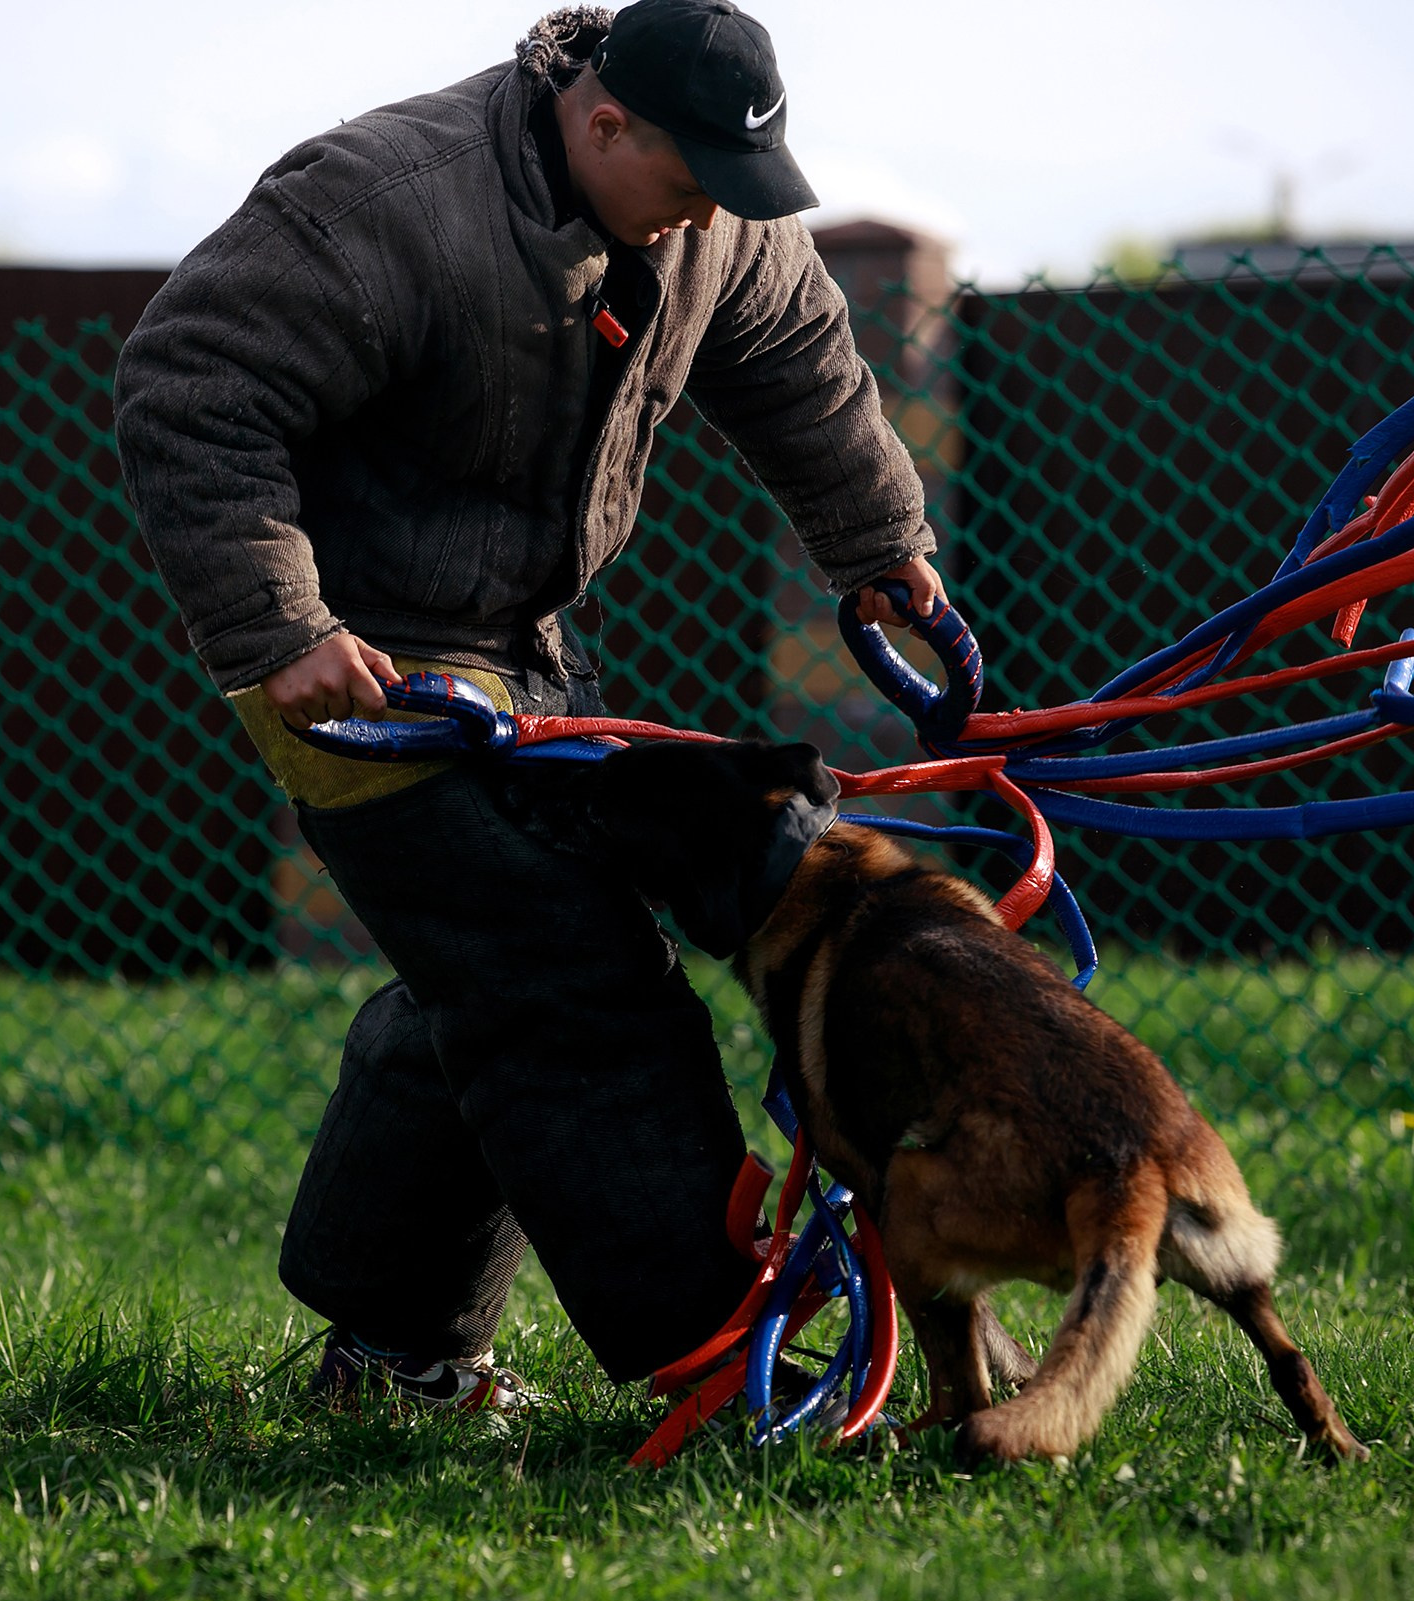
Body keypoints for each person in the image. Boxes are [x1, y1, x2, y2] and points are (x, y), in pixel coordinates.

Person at [114, 0, 944, 1415]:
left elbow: (804, 373)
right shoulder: (389, 204)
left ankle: (390, 1362)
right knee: (565, 977)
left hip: (525, 649)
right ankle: (718, 1369)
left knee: (484, 978)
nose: (702, 222)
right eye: (686, 187)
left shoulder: (716, 220)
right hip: (350, 668)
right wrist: (277, 628)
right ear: (600, 121)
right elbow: (189, 388)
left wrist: (882, 547)